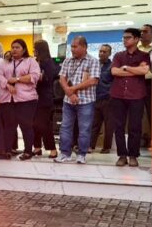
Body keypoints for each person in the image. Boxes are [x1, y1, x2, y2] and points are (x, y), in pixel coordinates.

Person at [56, 36, 100, 164]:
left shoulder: (93, 61)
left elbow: (93, 80)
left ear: (84, 47)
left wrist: (72, 89)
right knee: (65, 127)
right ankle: (65, 153)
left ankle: (81, 154)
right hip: (68, 100)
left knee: (84, 128)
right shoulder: (68, 60)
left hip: (86, 101)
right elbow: (62, 78)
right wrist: (69, 93)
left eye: (75, 46)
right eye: (72, 46)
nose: (72, 49)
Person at [111, 28, 151, 167]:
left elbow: (144, 70)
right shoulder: (118, 55)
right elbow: (114, 72)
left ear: (136, 39)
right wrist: (135, 70)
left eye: (128, 37)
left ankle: (133, 155)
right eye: (124, 37)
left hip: (137, 95)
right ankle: (122, 155)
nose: (125, 40)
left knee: (135, 126)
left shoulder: (144, 55)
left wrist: (125, 67)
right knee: (119, 126)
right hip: (118, 94)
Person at [0, 39, 40, 161]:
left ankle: (28, 151)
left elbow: (34, 76)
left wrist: (17, 79)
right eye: (12, 47)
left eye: (17, 47)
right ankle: (7, 150)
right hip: (8, 99)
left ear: (24, 49)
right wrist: (7, 84)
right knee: (9, 126)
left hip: (26, 100)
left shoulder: (30, 61)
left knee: (26, 126)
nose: (14, 49)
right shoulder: (5, 62)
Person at [32, 40, 58, 159]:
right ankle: (37, 147)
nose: (33, 50)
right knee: (34, 124)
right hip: (34, 97)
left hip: (44, 97)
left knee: (44, 124)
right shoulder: (36, 61)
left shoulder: (48, 62)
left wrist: (34, 76)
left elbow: (47, 78)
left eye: (35, 48)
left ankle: (52, 149)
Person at [90, 44, 114, 154]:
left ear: (109, 53)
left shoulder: (112, 66)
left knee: (109, 125)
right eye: (100, 51)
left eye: (104, 52)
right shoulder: (94, 64)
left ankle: (107, 147)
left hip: (108, 99)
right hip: (95, 98)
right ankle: (91, 146)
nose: (102, 53)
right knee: (94, 124)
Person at [138, 24, 152, 149]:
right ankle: (136, 143)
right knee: (136, 114)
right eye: (141, 31)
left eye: (145, 31)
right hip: (137, 83)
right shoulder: (136, 48)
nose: (142, 33)